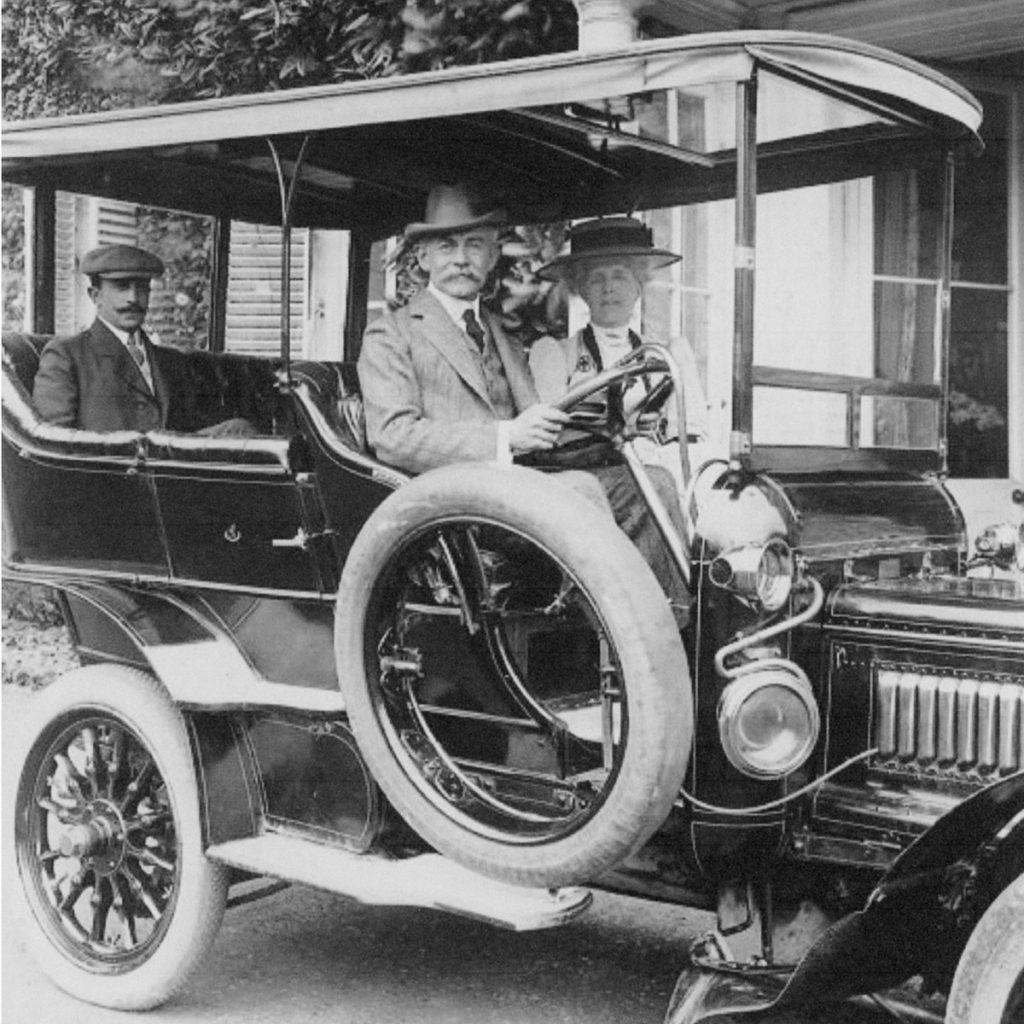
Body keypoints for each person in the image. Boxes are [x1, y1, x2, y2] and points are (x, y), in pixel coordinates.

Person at [358, 185, 690, 622]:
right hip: (451, 503)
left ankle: (675, 629)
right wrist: (504, 437)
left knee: (652, 482)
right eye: (447, 246)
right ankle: (614, 648)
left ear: (493, 255)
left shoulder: (498, 331)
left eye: (474, 244)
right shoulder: (392, 334)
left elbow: (538, 421)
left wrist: (605, 437)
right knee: (580, 492)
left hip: (519, 486)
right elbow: (393, 437)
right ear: (422, 258)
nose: (461, 258)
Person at [529, 216, 708, 462]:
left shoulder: (665, 355)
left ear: (639, 286)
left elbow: (689, 437)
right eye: (597, 279)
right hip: (586, 475)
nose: (609, 288)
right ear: (582, 290)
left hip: (654, 473)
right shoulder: (555, 354)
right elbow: (548, 439)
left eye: (620, 276)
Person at [33, 244, 254, 436]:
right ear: (95, 295)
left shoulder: (172, 362)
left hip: (173, 476)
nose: (134, 298)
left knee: (240, 430)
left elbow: (191, 431)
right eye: (122, 287)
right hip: (109, 476)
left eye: (142, 288)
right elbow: (55, 441)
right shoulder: (67, 355)